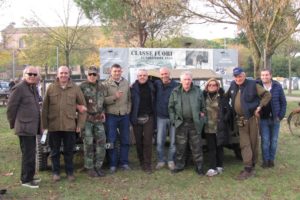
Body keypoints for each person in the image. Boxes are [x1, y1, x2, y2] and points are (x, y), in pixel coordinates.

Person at [42, 66, 86, 182]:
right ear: (57, 74)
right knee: (54, 151)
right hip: (54, 125)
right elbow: (45, 108)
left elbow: (83, 108)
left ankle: (70, 173)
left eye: (66, 73)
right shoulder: (51, 88)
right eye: (61, 73)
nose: (63, 75)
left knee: (69, 151)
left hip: (69, 126)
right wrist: (44, 126)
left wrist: (80, 125)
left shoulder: (75, 88)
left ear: (69, 74)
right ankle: (56, 173)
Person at [227, 67, 271, 180]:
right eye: (236, 76)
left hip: (252, 118)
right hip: (240, 120)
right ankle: (248, 167)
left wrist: (259, 107)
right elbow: (225, 97)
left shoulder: (253, 84)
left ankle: (251, 167)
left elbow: (267, 95)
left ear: (244, 75)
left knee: (253, 143)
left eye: (240, 76)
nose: (238, 78)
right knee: (244, 144)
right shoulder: (233, 85)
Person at [7, 66, 41, 188]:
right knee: (28, 154)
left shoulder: (32, 88)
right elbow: (11, 108)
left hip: (32, 127)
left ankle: (30, 177)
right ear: (24, 75)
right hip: (24, 128)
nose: (32, 76)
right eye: (29, 74)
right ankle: (26, 180)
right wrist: (14, 124)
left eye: (34, 74)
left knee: (31, 153)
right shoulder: (19, 88)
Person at [168, 71, 206, 175]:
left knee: (196, 146)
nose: (187, 81)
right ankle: (180, 165)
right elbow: (170, 108)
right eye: (185, 79)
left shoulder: (198, 91)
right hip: (181, 123)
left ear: (191, 80)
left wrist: (202, 118)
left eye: (189, 79)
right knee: (181, 146)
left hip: (194, 123)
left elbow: (203, 107)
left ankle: (199, 167)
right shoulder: (175, 91)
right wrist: (174, 120)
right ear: (181, 81)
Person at [103, 64, 131, 173]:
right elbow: (103, 100)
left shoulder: (126, 83)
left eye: (119, 71)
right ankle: (113, 164)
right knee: (111, 140)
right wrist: (114, 97)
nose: (117, 73)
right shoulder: (105, 84)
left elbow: (129, 99)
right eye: (115, 71)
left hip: (124, 115)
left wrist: (128, 110)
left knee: (125, 140)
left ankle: (124, 163)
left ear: (122, 71)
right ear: (111, 71)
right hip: (111, 115)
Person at [80, 66, 106, 177]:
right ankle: (89, 167)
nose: (92, 76)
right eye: (90, 74)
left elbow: (103, 102)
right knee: (88, 144)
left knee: (101, 143)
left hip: (99, 119)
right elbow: (77, 102)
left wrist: (103, 111)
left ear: (97, 75)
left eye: (94, 74)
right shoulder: (82, 87)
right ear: (87, 75)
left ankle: (98, 166)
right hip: (87, 119)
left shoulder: (101, 86)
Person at [258, 68, 286, 168]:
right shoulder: (258, 86)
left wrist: (280, 116)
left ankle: (271, 160)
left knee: (274, 141)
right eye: (262, 75)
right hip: (263, 119)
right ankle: (265, 160)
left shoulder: (277, 86)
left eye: (266, 75)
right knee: (265, 141)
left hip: (275, 119)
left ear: (270, 76)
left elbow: (283, 102)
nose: (264, 77)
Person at [203, 78, 231, 176]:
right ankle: (212, 168)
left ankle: (220, 166)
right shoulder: (203, 97)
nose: (212, 87)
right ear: (207, 86)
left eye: (214, 85)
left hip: (219, 126)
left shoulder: (222, 97)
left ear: (217, 86)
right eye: (210, 85)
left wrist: (224, 118)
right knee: (211, 148)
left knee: (219, 147)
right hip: (208, 127)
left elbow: (228, 110)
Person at [130, 69, 155, 174]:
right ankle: (141, 162)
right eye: (140, 75)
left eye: (144, 75)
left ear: (147, 76)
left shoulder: (153, 86)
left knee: (148, 141)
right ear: (137, 76)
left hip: (149, 117)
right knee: (139, 142)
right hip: (136, 117)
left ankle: (147, 164)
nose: (142, 77)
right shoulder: (132, 88)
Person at [154, 67, 178, 171]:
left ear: (169, 74)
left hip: (173, 117)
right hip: (161, 117)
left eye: (166, 73)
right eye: (162, 74)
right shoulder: (156, 84)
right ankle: (161, 160)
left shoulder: (176, 85)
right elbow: (144, 83)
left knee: (173, 141)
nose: (164, 76)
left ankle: (171, 160)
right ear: (160, 75)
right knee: (160, 141)